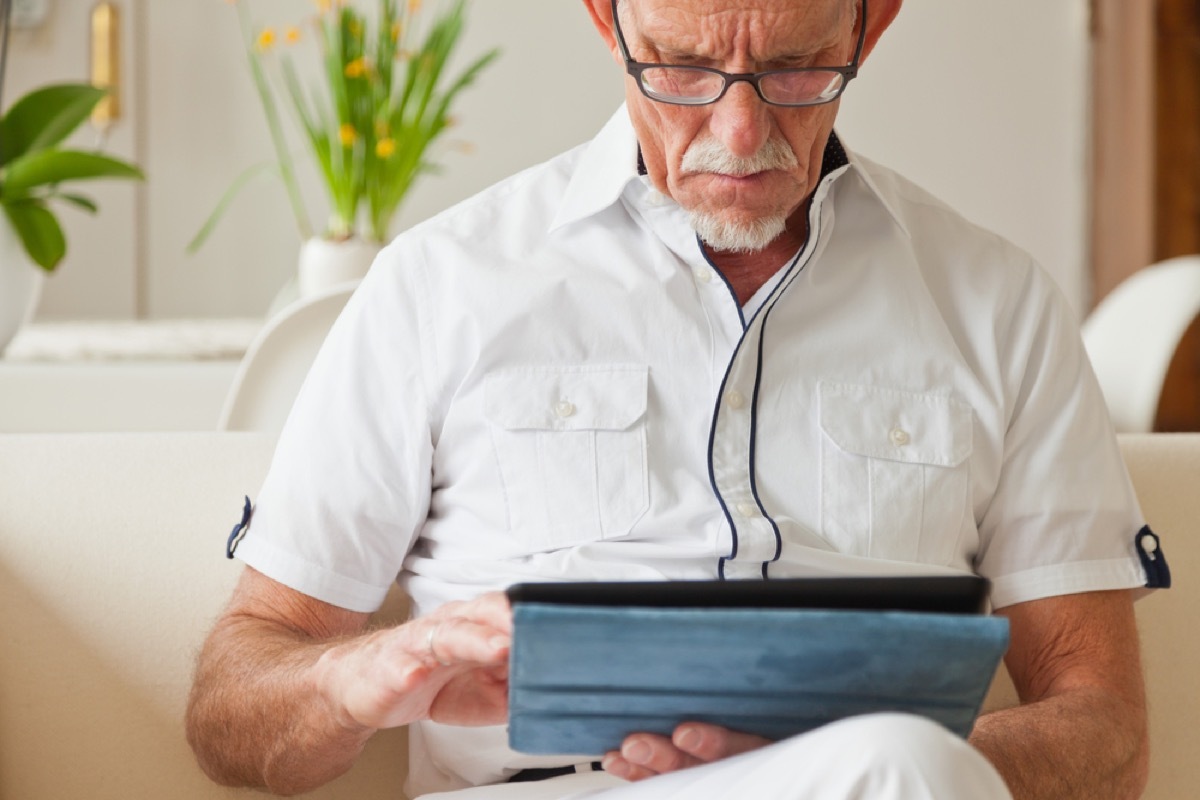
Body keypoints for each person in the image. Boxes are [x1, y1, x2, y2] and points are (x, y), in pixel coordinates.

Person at [186, 0, 1169, 798]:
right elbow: (232, 720)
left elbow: (1108, 736)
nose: (739, 134)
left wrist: (896, 764)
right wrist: (357, 678)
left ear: (872, 26)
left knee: (898, 762)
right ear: (605, 20)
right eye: (682, 67)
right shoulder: (441, 283)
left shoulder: (997, 303)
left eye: (795, 67)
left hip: (879, 788)